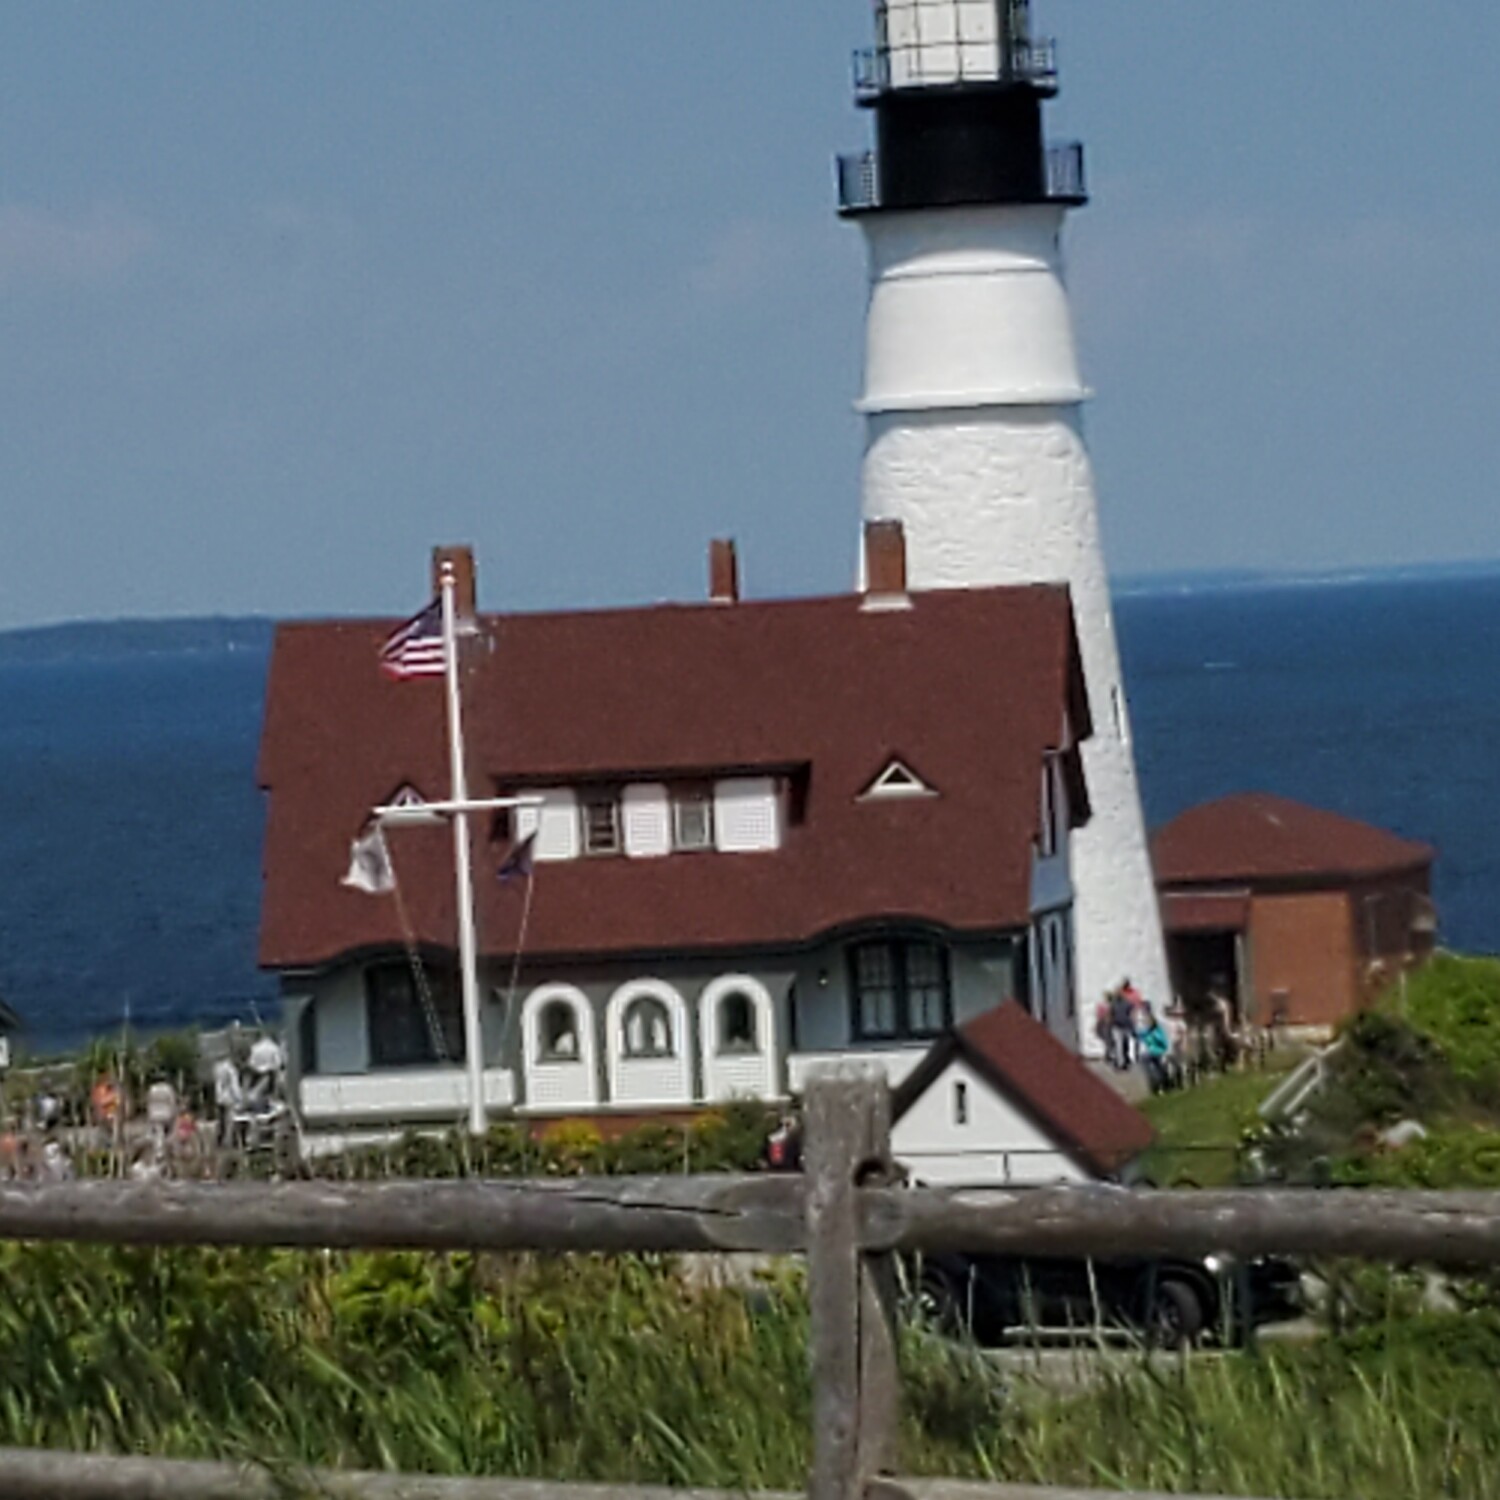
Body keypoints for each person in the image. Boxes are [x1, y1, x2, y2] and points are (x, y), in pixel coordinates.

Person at [1137, 1006, 1172, 1094]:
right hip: (1154, 1052)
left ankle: (1158, 1087)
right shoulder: (1156, 1029)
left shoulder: (1146, 1030)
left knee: (1154, 1071)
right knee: (1157, 1070)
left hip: (1152, 1052)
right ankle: (1161, 1086)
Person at [1108, 983, 1136, 1071]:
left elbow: (1132, 1013)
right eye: (1116, 992)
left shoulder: (1127, 1003)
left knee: (1126, 1045)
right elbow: (1111, 1014)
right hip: (1117, 1026)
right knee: (1118, 1045)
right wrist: (1110, 1024)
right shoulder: (1113, 1003)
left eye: (1119, 992)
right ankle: (1121, 1064)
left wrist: (1133, 1023)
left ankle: (1127, 1061)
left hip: (1127, 1026)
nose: (1118, 994)